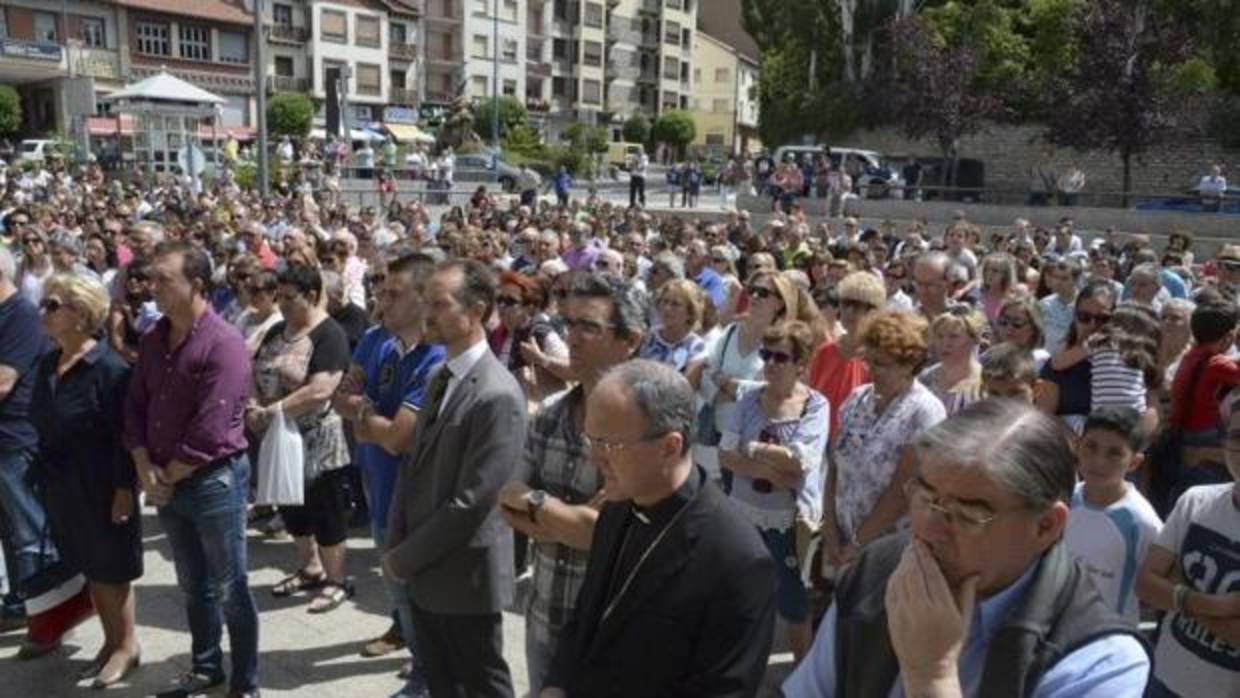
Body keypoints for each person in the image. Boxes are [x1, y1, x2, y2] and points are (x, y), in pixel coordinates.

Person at [784, 400, 1150, 697]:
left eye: (969, 515)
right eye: (926, 497)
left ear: (1045, 526)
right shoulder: (879, 569)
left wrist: (932, 677)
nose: (928, 530)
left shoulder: (1100, 661)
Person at [540, 359, 777, 697]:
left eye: (609, 445)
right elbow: (585, 619)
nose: (594, 458)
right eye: (592, 440)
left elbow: (722, 690)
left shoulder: (738, 560)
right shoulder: (617, 507)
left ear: (670, 446)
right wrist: (556, 685)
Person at [496, 273, 645, 695]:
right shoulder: (550, 415)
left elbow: (598, 531)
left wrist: (536, 505)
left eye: (589, 327)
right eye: (570, 324)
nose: (572, 338)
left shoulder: (645, 427)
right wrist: (569, 518)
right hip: (544, 613)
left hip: (611, 627)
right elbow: (506, 502)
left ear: (629, 341)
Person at [383, 259, 526, 698]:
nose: (428, 313)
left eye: (440, 304)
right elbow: (413, 465)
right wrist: (396, 542)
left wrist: (405, 557)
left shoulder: (496, 393)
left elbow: (474, 500)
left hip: (465, 578)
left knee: (481, 686)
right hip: (426, 568)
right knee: (442, 683)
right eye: (427, 302)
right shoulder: (438, 376)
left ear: (477, 310)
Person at [123, 241, 259, 698]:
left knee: (230, 587)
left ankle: (245, 682)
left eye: (165, 279)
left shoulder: (223, 344)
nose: (152, 287)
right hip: (165, 479)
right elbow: (136, 406)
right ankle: (206, 667)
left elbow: (212, 426)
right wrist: (144, 466)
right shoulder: (154, 339)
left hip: (212, 480)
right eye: (151, 278)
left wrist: (166, 477)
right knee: (192, 583)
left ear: (196, 285)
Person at [333, 254, 443, 696]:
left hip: (415, 497)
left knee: (413, 590)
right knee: (395, 585)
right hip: (376, 483)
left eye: (395, 293)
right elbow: (342, 397)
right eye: (381, 289)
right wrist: (368, 413)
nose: (382, 299)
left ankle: (426, 677)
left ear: (424, 297)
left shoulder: (436, 356)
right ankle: (410, 644)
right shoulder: (376, 338)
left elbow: (401, 437)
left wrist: (365, 415)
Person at [29, 273, 142, 687]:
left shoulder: (108, 368)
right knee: (92, 566)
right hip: (63, 484)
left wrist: (124, 489)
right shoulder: (48, 361)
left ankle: (126, 645)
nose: (43, 312)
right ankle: (110, 642)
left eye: (52, 305)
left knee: (113, 567)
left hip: (103, 485)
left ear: (80, 314)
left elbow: (124, 437)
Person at [719, 320, 828, 662]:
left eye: (781, 357)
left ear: (801, 364)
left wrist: (750, 450)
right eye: (766, 355)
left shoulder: (816, 405)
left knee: (793, 602)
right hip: (744, 515)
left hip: (788, 520)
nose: (770, 364)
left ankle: (801, 676)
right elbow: (725, 454)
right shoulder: (748, 400)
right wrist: (771, 467)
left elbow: (801, 462)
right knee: (742, 595)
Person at [249, 264, 353, 612]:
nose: (282, 305)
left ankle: (336, 579)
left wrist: (275, 408)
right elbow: (254, 366)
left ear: (310, 295)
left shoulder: (329, 334)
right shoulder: (278, 329)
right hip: (277, 433)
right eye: (279, 296)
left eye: (290, 298)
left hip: (317, 438)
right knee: (292, 506)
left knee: (325, 509)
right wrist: (252, 403)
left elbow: (321, 389)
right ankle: (309, 567)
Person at [822, 310, 946, 571]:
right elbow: (834, 465)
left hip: (890, 551)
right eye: (870, 361)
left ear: (909, 364)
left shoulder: (925, 412)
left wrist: (857, 544)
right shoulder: (856, 400)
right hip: (843, 542)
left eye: (883, 364)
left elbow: (903, 490)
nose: (872, 371)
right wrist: (831, 531)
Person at [1136, 440, 1240, 698]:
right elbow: (1145, 586)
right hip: (1164, 678)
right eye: (1238, 436)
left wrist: (1177, 587)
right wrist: (1219, 606)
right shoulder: (1195, 500)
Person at [1065, 407, 1162, 626]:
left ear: (1134, 462)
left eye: (1114, 453)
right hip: (1056, 629)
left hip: (1108, 637)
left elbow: (1156, 584)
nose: (1099, 461)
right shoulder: (1064, 500)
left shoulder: (1142, 522)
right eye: (1091, 447)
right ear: (1078, 446)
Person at [807, 271, 883, 436]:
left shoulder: (879, 358)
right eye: (844, 303)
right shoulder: (824, 351)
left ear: (873, 311)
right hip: (818, 438)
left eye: (857, 305)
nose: (849, 311)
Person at [919, 306, 986, 416]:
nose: (945, 344)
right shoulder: (925, 379)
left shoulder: (985, 383)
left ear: (974, 339)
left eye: (953, 337)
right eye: (940, 336)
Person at [638, 279, 708, 373]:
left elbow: (688, 385)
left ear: (690, 313)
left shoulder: (696, 347)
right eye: (665, 301)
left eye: (675, 304)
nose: (667, 308)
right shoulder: (647, 338)